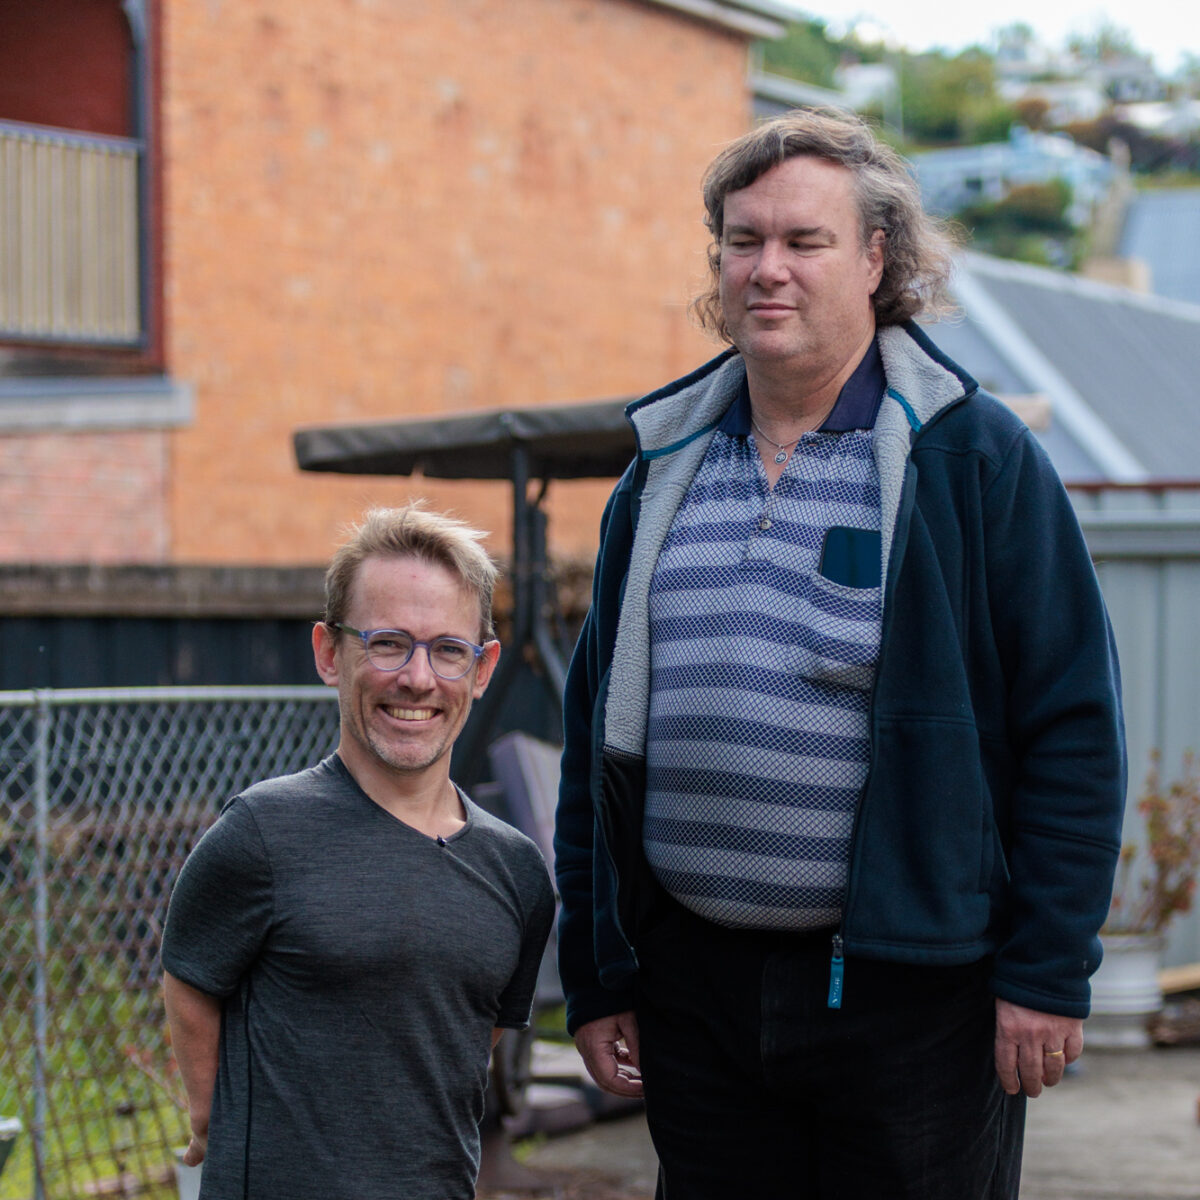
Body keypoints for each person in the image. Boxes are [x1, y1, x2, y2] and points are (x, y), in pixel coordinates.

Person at [553, 109, 1126, 1199]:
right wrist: (599, 972)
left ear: (875, 259)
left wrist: (1049, 970)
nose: (767, 269)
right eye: (743, 240)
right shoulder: (662, 470)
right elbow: (595, 742)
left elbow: (1075, 729)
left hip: (916, 1003)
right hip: (697, 996)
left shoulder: (973, 458)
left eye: (803, 241)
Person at [162, 504, 555, 1200]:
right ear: (328, 653)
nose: (418, 678)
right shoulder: (262, 834)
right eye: (387, 642)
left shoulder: (519, 872)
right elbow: (190, 980)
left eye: (448, 649)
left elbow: (469, 1035)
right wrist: (209, 1121)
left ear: (483, 667)